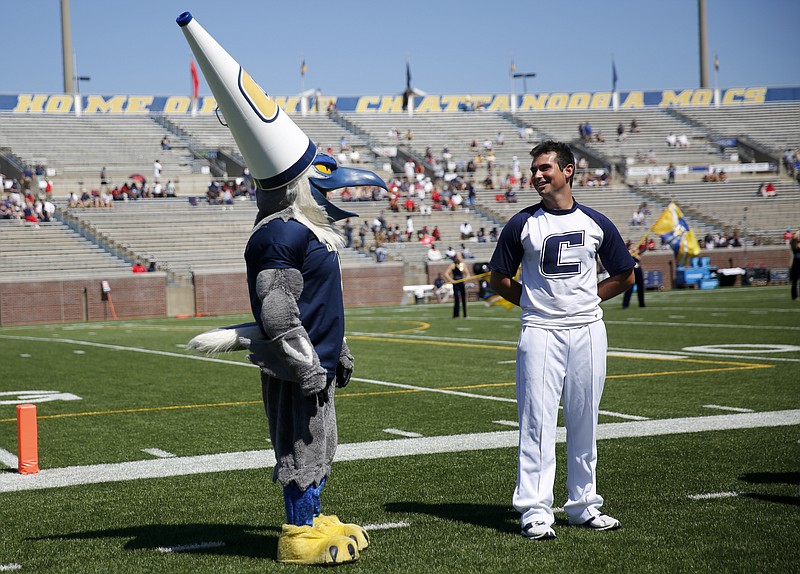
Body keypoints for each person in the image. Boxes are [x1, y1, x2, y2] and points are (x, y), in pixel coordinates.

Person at [181, 14, 387, 564]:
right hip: (296, 363)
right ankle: (299, 531)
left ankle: (315, 513)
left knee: (321, 443)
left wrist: (336, 349)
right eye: (320, 173)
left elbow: (320, 303)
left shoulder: (309, 232)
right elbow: (278, 311)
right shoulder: (281, 234)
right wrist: (306, 363)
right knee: (299, 444)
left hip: (315, 357)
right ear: (299, 184)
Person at [488, 141, 635, 541]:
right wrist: (535, 305)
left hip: (588, 330)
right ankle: (535, 510)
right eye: (533, 170)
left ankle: (584, 505)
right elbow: (497, 278)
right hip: (539, 332)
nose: (536, 175)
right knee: (536, 421)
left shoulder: (596, 222)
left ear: (567, 171)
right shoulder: (522, 224)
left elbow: (625, 274)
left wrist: (590, 299)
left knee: (585, 419)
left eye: (544, 168)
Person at [444, 252, 470, 318]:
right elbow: (446, 274)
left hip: (461, 283)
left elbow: (468, 275)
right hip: (455, 283)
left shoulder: (463, 265)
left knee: (464, 298)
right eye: (457, 257)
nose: (458, 258)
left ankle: (465, 315)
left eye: (460, 256)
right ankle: (456, 315)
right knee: (457, 299)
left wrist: (465, 279)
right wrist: (451, 280)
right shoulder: (452, 265)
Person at [622, 240, 646, 308]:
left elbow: (644, 249)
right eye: (631, 245)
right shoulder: (627, 252)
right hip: (632, 270)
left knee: (640, 287)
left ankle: (642, 304)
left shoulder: (636, 252)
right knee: (629, 288)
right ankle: (625, 304)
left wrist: (646, 241)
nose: (633, 246)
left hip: (638, 270)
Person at [791, 229, 800, 301]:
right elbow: (794, 238)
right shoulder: (794, 244)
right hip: (796, 264)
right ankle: (795, 296)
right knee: (795, 281)